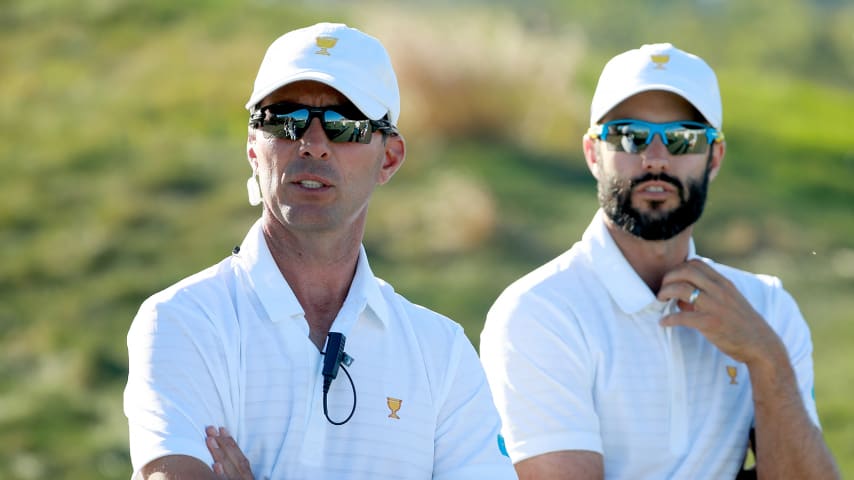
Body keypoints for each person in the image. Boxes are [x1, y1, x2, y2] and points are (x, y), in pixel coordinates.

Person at [124, 22, 516, 480]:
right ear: (254, 147)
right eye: (285, 120)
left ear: (389, 157)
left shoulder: (442, 353)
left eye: (343, 126)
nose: (313, 145)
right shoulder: (182, 320)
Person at [479, 43, 840, 479]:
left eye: (682, 139)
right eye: (628, 136)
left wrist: (767, 361)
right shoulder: (538, 312)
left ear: (715, 158)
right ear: (594, 154)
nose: (655, 158)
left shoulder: (767, 310)